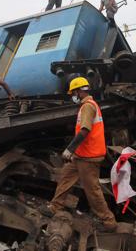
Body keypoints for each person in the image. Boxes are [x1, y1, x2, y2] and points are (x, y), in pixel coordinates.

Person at [41, 77, 118, 232]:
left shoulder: (88, 107)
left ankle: (108, 221)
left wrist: (70, 149)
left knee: (92, 190)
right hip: (81, 156)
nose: (73, 96)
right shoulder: (87, 106)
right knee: (65, 177)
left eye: (74, 93)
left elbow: (85, 130)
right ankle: (55, 207)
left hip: (89, 157)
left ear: (79, 91)